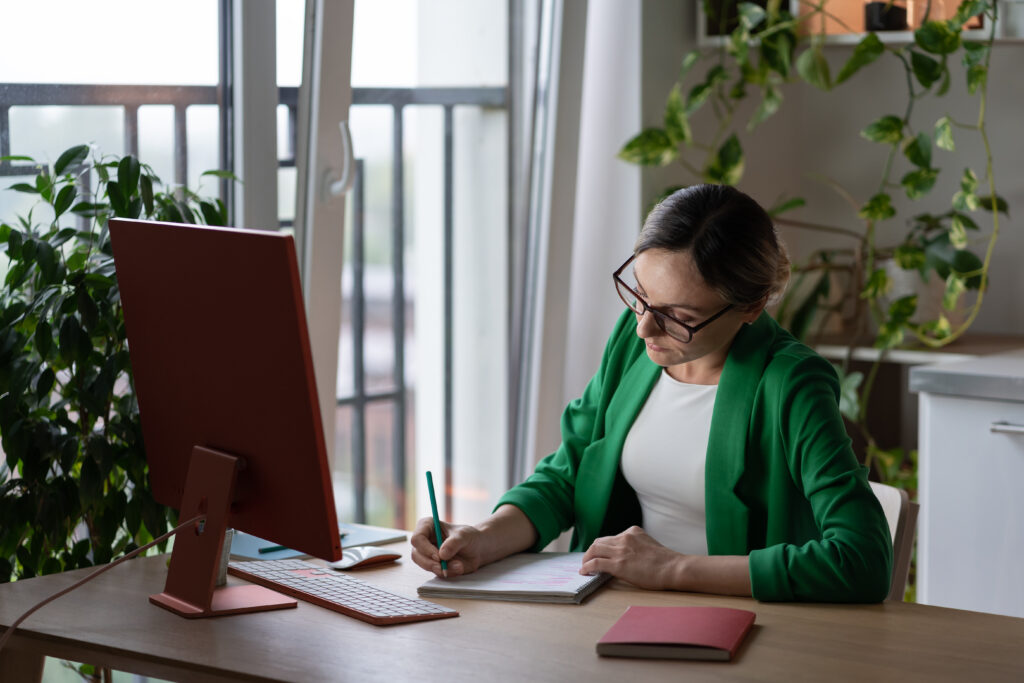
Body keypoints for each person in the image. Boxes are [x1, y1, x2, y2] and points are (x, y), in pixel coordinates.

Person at [410, 184, 893, 603]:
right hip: (614, 607)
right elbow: (568, 474)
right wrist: (483, 537)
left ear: (751, 306)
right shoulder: (633, 342)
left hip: (737, 628)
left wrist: (672, 568)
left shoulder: (791, 384)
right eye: (640, 294)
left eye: (678, 316)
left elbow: (862, 559)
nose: (643, 327)